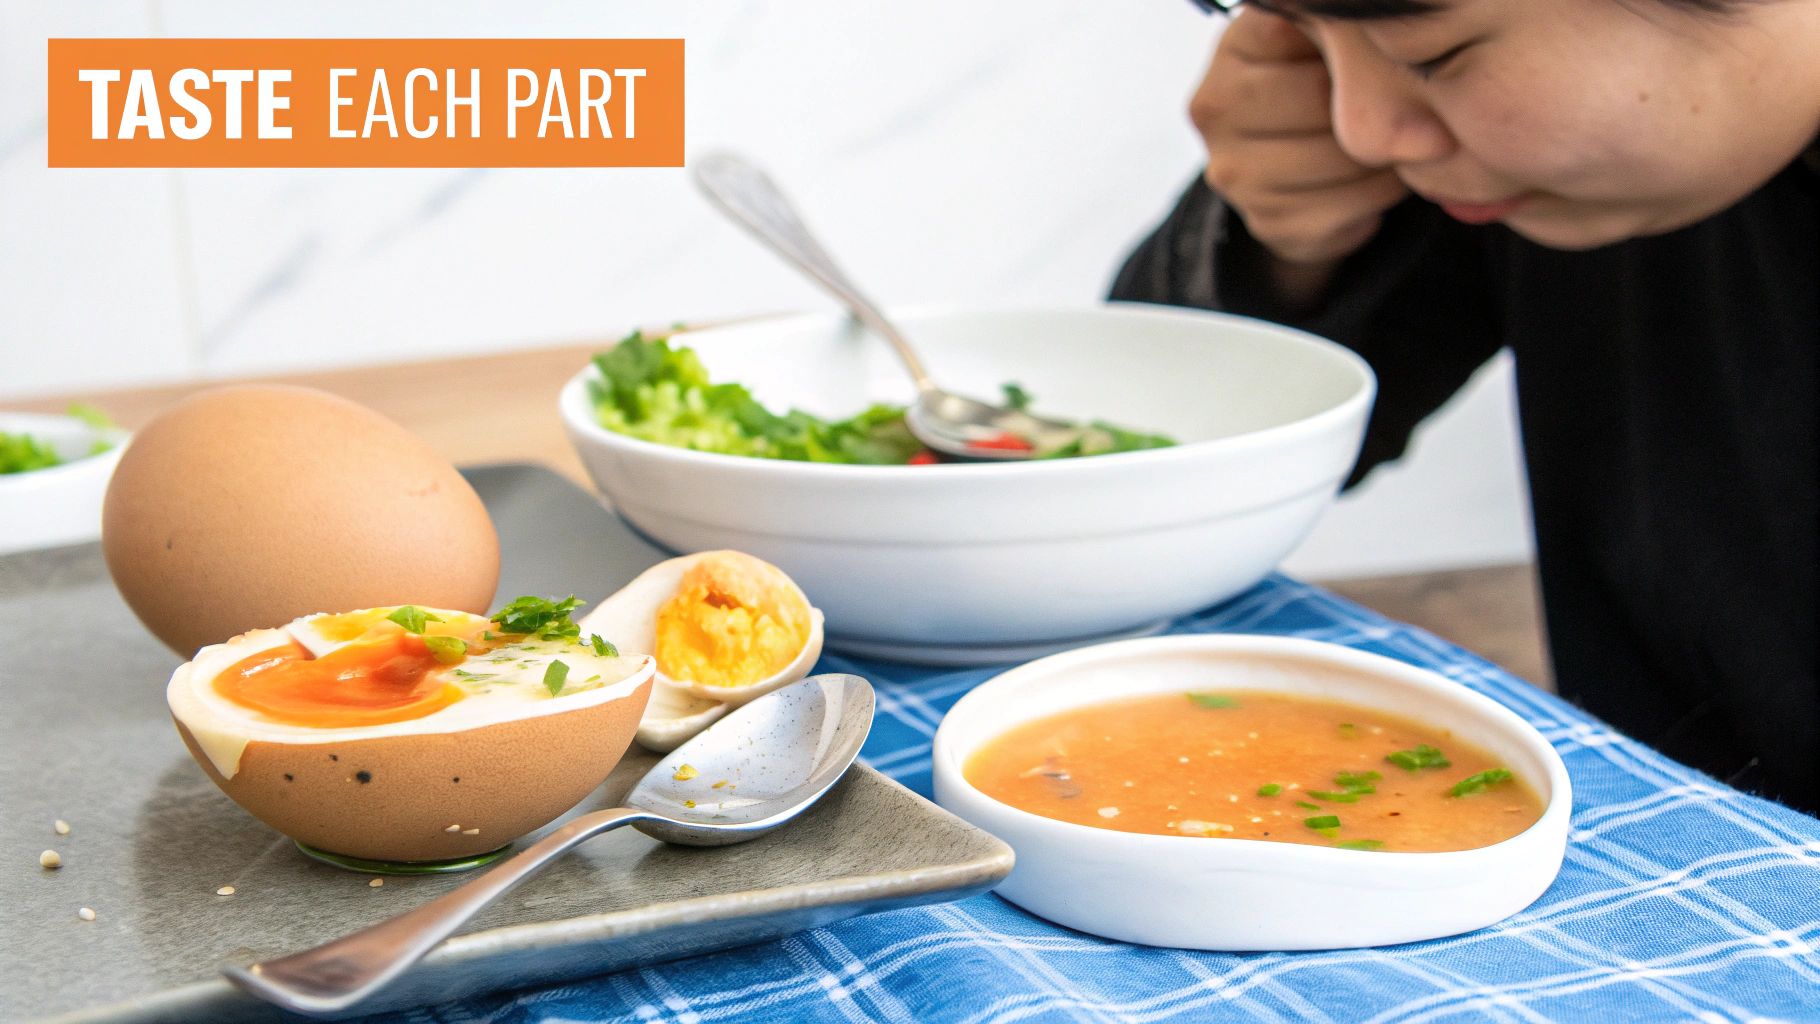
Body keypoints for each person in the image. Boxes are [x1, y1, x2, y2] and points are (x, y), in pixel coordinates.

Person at [1111, 0, 1818, 813]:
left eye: (1434, 54)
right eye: (1301, 31)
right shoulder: (1506, 165)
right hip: (1659, 859)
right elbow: (1165, 482)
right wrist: (1279, 235)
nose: (1364, 129)